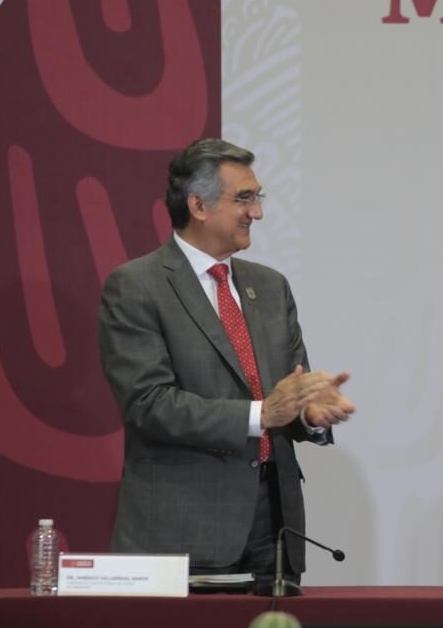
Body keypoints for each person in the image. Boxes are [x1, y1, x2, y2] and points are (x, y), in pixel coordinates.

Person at [98, 138, 354, 584]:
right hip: (185, 529)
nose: (258, 212)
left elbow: (290, 390)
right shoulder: (137, 286)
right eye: (244, 198)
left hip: (275, 530)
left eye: (258, 197)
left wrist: (311, 413)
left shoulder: (270, 287)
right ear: (198, 205)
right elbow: (148, 404)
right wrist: (262, 414)